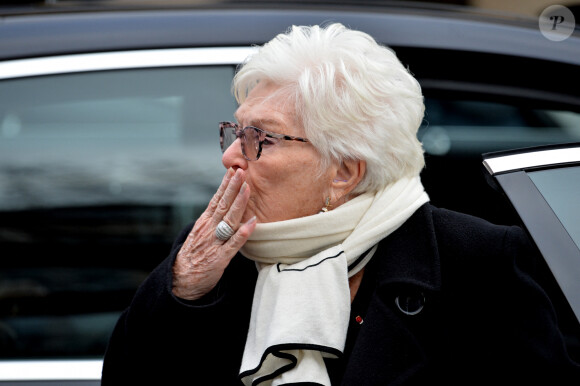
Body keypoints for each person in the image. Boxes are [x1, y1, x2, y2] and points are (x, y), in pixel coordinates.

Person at [101, 24, 579, 385]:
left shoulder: (475, 261)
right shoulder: (213, 255)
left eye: (259, 138)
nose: (230, 155)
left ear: (343, 173)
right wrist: (182, 292)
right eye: (235, 131)